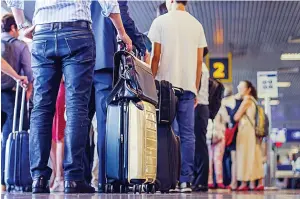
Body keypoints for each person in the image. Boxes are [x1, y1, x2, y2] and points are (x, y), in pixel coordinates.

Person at [6, 0, 132, 194]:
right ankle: (73, 178)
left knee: (41, 107)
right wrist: (121, 32)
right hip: (77, 32)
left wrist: (22, 25)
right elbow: (109, 2)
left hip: (43, 32)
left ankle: (38, 178)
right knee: (76, 108)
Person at [148, 0, 207, 193]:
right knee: (188, 135)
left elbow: (156, 56)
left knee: (167, 131)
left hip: (166, 87)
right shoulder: (197, 25)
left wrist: (151, 83)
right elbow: (199, 61)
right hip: (188, 88)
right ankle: (185, 181)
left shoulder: (161, 22)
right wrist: (195, 87)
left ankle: (168, 179)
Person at [89, 0, 148, 193]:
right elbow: (122, 15)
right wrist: (141, 44)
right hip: (104, 59)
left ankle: (76, 178)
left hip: (78, 61)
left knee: (79, 120)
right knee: (106, 122)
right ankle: (106, 179)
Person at [1, 14, 33, 191]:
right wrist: (28, 88)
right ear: (13, 27)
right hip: (11, 96)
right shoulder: (20, 45)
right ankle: (7, 179)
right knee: (9, 137)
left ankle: (1, 184)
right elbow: (28, 72)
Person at [234, 80, 264, 191]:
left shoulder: (246, 100)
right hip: (253, 131)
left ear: (248, 89)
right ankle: (258, 182)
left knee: (245, 155)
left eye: (241, 88)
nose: (239, 89)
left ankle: (244, 183)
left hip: (246, 131)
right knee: (255, 155)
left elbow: (236, 117)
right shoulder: (254, 101)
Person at [193, 62, 210, 192]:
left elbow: (196, 87)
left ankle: (201, 181)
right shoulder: (201, 66)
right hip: (201, 107)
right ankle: (198, 180)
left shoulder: (200, 66)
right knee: (198, 144)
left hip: (199, 106)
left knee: (200, 144)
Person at [49, 78, 66, 192]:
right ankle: (59, 177)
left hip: (48, 88)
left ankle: (56, 176)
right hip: (61, 88)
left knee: (54, 134)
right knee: (59, 135)